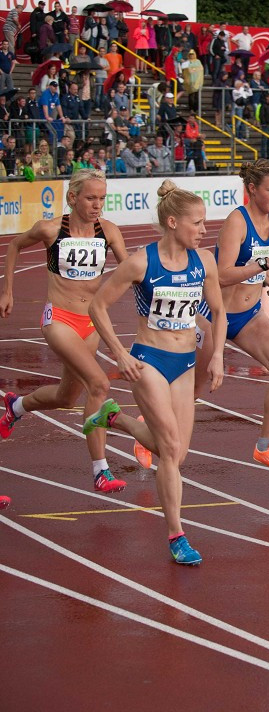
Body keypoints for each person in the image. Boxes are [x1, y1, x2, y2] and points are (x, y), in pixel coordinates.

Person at [82, 181, 227, 566]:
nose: (203, 230)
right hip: (148, 360)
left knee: (175, 455)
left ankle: (116, 418)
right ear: (174, 222)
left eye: (204, 223)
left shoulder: (205, 262)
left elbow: (220, 311)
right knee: (169, 447)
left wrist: (218, 357)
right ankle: (177, 535)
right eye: (197, 223)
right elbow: (98, 307)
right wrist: (118, 354)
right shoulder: (141, 262)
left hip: (186, 363)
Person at [0, 169, 130, 493]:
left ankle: (15, 407)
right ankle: (100, 470)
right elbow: (14, 246)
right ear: (73, 198)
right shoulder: (50, 229)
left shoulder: (110, 232)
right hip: (58, 318)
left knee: (66, 396)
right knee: (98, 383)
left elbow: (130, 271)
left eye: (102, 198)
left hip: (91, 324)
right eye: (90, 198)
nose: (97, 204)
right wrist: (7, 290)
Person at [207, 160, 269, 473]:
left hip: (248, 314)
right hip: (213, 314)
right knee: (190, 388)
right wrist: (268, 265)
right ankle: (145, 429)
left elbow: (254, 259)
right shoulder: (237, 222)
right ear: (251, 190)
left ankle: (265, 446)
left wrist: (266, 278)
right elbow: (221, 275)